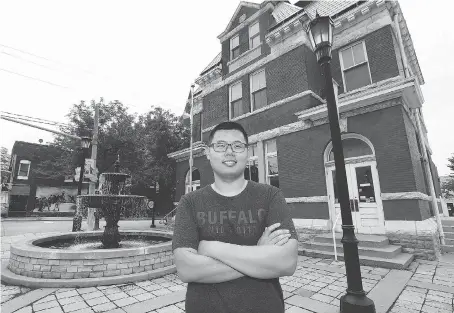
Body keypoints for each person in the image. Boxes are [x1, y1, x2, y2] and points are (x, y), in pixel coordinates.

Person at [172, 121, 299, 313]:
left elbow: (287, 262)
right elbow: (186, 269)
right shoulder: (189, 202)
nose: (229, 152)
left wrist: (211, 247)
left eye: (238, 146)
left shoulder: (270, 195)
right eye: (221, 145)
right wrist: (259, 253)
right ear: (208, 152)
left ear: (247, 152)